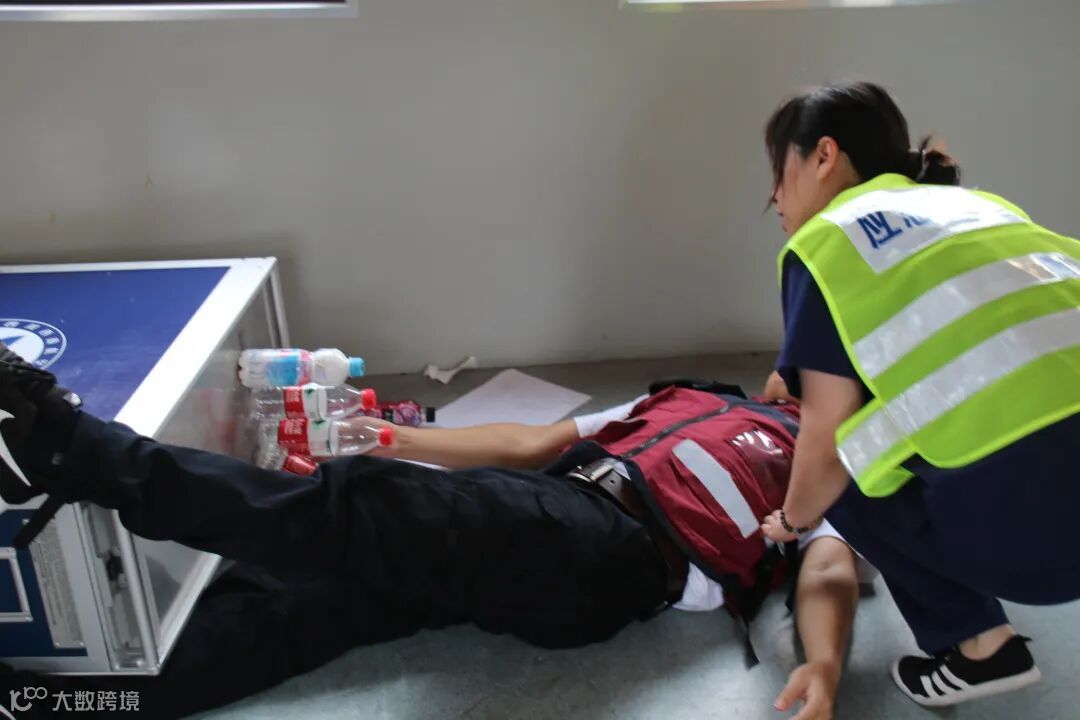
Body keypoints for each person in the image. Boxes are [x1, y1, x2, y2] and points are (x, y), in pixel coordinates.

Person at [0, 343, 870, 720]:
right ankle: (59, 704)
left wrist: (825, 665)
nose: (793, 377)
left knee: (356, 511)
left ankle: (63, 445)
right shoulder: (691, 397)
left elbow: (828, 567)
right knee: (306, 605)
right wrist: (401, 440)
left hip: (616, 552)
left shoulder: (832, 467)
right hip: (553, 517)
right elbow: (532, 443)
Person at [756, 81, 1080, 707]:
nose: (774, 196)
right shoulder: (980, 208)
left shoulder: (826, 244)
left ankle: (981, 646)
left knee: (846, 459)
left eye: (778, 170)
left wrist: (793, 521)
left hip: (1046, 548)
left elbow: (827, 437)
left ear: (824, 155)